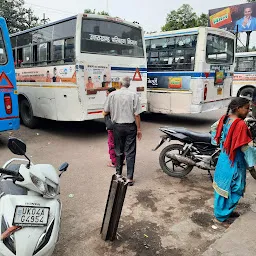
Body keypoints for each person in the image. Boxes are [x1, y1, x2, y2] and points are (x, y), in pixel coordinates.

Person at [211, 97, 256, 224]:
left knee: (223, 187)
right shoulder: (240, 124)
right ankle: (222, 215)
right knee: (236, 187)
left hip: (224, 159)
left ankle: (225, 212)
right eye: (247, 108)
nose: (249, 111)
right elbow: (244, 147)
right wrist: (254, 155)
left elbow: (214, 131)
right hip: (234, 161)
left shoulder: (224, 118)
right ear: (238, 108)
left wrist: (223, 144)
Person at [103, 76, 143, 186]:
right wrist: (139, 129)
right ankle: (130, 178)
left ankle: (118, 174)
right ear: (128, 85)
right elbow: (137, 115)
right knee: (130, 152)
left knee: (118, 150)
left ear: (120, 84)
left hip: (117, 127)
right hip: (130, 127)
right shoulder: (134, 95)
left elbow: (106, 110)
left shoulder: (112, 95)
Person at [104, 87, 117, 168]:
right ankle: (121, 160)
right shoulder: (120, 100)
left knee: (112, 144)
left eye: (107, 92)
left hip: (112, 126)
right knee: (120, 144)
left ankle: (114, 162)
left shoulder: (109, 101)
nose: (106, 94)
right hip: (120, 125)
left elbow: (105, 112)